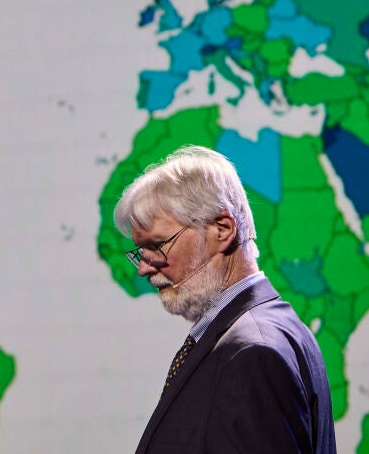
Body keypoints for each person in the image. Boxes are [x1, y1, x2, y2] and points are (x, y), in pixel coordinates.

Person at [113, 145, 337, 454]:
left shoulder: (254, 352)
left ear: (223, 230)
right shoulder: (269, 331)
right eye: (141, 251)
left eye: (157, 245)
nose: (144, 268)